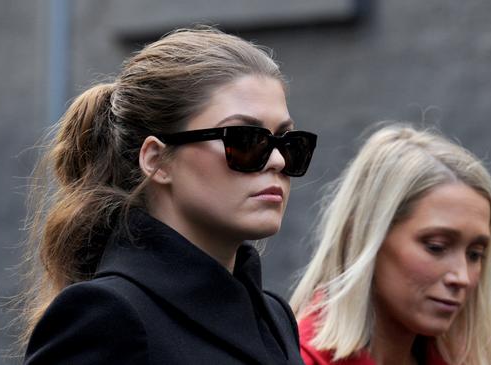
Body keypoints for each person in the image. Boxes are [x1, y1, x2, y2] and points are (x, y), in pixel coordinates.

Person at [18, 26, 316, 364]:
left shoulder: (274, 317)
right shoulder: (109, 315)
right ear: (157, 160)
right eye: (245, 140)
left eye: (290, 143)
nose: (277, 160)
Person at [290, 124, 491, 365]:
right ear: (361, 237)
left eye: (475, 254)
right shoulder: (296, 358)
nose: (462, 277)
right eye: (436, 247)